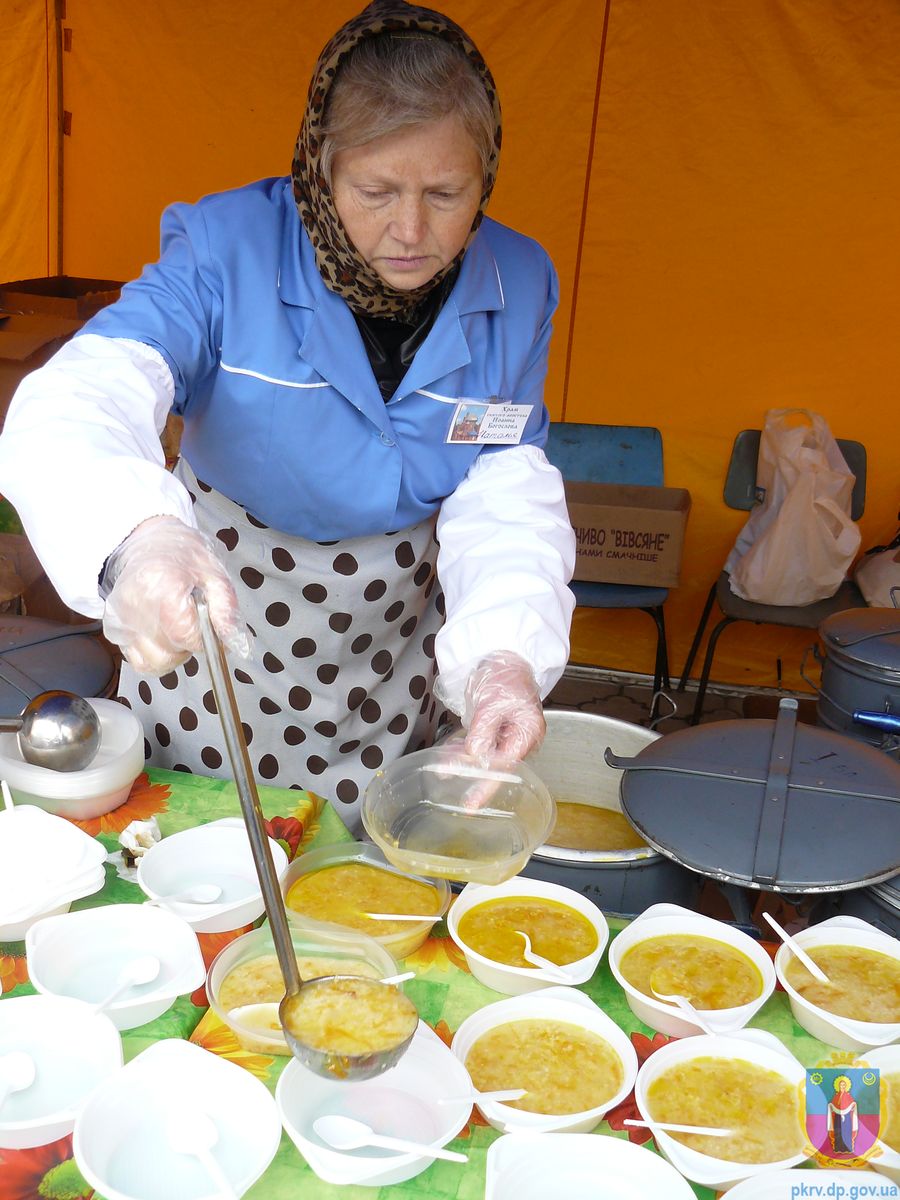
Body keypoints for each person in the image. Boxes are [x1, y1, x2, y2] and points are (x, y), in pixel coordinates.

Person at [0, 0, 575, 835]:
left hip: (392, 652)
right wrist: (139, 540)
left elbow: (504, 480)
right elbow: (85, 391)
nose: (411, 231)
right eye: (375, 191)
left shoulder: (517, 283)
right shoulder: (226, 250)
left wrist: (503, 659)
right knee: (200, 862)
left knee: (362, 885)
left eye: (447, 193)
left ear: (486, 174)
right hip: (216, 622)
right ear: (321, 166)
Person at [827, 1075, 858, 1155]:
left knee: (846, 1132)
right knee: (838, 1132)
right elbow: (834, 1105)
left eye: (844, 1085)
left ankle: (847, 1148)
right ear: (838, 1086)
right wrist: (831, 1105)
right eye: (841, 1085)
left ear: (846, 1086)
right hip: (838, 1117)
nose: (842, 1086)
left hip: (847, 1117)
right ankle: (838, 1148)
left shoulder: (848, 1096)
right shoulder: (836, 1096)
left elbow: (852, 1104)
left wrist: (853, 1104)